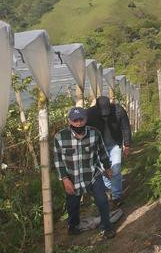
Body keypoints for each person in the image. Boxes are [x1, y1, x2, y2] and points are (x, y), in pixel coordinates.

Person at [53, 107, 115, 239]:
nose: (79, 123)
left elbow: (102, 151)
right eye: (75, 120)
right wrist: (64, 178)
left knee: (102, 201)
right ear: (69, 121)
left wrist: (107, 167)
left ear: (86, 119)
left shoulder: (94, 133)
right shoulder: (60, 137)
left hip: (92, 174)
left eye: (81, 119)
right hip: (72, 177)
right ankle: (73, 226)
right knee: (72, 205)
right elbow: (58, 160)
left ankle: (107, 227)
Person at [87, 96, 132, 207]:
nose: (105, 115)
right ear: (97, 108)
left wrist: (127, 145)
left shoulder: (118, 110)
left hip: (115, 143)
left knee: (115, 169)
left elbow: (125, 128)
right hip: (98, 146)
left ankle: (117, 196)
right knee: (102, 171)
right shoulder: (90, 114)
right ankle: (110, 189)